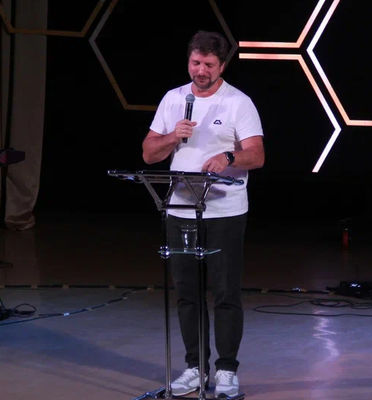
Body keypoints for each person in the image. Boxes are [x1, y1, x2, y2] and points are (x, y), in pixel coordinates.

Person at [141, 30, 264, 398]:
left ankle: (226, 370)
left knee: (225, 292)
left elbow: (256, 155)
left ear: (221, 66)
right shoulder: (173, 99)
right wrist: (171, 137)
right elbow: (149, 153)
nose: (201, 71)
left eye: (209, 65)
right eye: (196, 63)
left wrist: (228, 157)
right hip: (180, 210)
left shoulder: (238, 103)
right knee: (187, 293)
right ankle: (195, 368)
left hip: (224, 211)